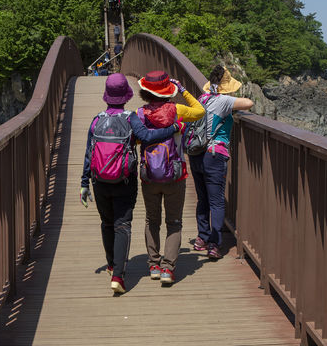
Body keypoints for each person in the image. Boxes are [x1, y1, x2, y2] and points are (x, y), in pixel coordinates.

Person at [80, 73, 179, 294]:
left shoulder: (97, 119)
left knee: (107, 223)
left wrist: (84, 182)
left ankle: (110, 264)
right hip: (124, 180)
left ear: (106, 96)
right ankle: (118, 276)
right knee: (122, 225)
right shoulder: (130, 117)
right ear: (126, 96)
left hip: (99, 181)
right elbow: (147, 137)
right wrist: (172, 129)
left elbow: (88, 153)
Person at [136, 71, 205, 285]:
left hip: (149, 175)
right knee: (174, 222)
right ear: (169, 91)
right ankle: (168, 270)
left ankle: (154, 265)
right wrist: (183, 90)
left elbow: (137, 141)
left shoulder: (139, 114)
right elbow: (200, 111)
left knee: (151, 220)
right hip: (175, 174)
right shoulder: (178, 111)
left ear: (145, 91)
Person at [188, 65, 253, 259]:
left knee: (203, 198)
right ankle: (214, 244)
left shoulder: (202, 98)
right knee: (216, 201)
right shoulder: (224, 101)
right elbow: (248, 103)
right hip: (214, 154)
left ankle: (202, 237)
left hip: (196, 152)